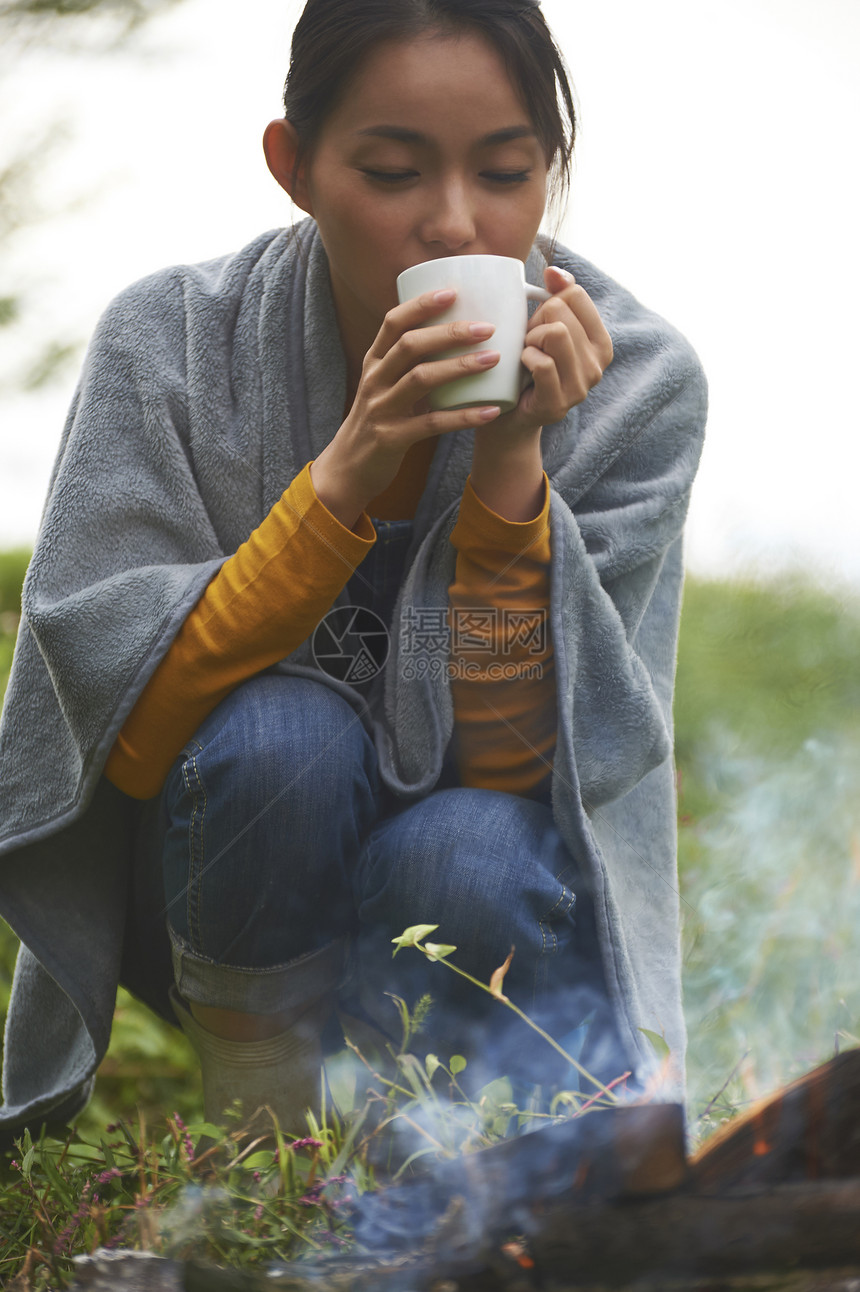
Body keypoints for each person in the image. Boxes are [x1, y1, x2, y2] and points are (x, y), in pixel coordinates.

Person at [0, 0, 707, 1140]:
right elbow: (122, 741)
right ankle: (263, 1139)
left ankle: (402, 1152)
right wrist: (346, 467)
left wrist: (510, 455)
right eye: (389, 171)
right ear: (294, 166)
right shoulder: (169, 343)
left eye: (506, 173)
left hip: (488, 897)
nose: (456, 225)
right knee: (283, 734)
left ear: (549, 172)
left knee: (462, 847)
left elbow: (516, 766)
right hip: (212, 874)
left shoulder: (637, 384)